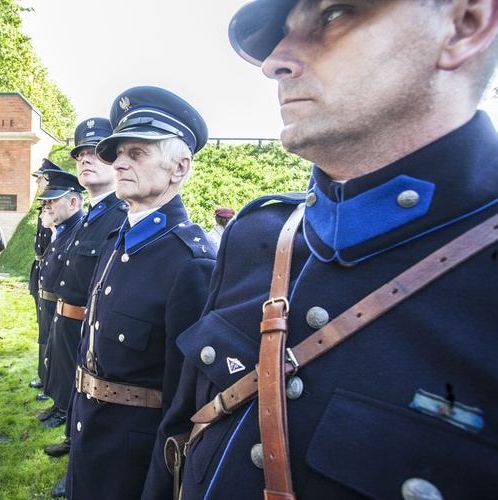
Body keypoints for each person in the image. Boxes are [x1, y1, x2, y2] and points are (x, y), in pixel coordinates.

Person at [145, 1, 498, 499]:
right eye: (283, 32)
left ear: (464, 25)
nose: (274, 61)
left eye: (334, 14)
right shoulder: (256, 236)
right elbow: (181, 438)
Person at [65, 86, 216, 500]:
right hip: (89, 437)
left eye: (138, 153)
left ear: (179, 168)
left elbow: (183, 407)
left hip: (133, 466)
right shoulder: (118, 239)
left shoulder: (191, 263)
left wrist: (160, 486)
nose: (120, 164)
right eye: (118, 154)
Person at [42, 118, 128, 497]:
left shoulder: (121, 215)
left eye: (95, 153)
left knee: (89, 398)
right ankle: (71, 442)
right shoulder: (91, 215)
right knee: (72, 391)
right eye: (80, 154)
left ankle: (78, 464)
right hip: (68, 319)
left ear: (113, 161)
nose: (85, 160)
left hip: (91, 326)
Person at [34, 169, 86, 431]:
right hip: (56, 306)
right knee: (55, 359)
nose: (47, 207)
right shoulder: (64, 230)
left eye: (52, 202)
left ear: (73, 202)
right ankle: (58, 405)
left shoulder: (78, 230)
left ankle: (64, 410)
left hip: (70, 309)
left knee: (66, 364)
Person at [28, 158, 63, 394]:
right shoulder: (44, 206)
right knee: (42, 326)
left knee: (50, 329)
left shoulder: (56, 208)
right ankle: (44, 374)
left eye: (40, 178)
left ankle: (49, 377)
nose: (38, 182)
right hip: (39, 267)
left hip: (48, 269)